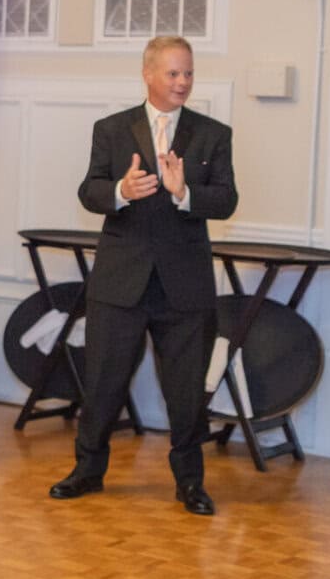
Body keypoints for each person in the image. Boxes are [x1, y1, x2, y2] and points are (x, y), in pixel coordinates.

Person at [49, 34, 238, 516]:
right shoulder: (111, 130)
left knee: (185, 391)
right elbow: (89, 191)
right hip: (120, 283)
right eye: (173, 73)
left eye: (189, 73)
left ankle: (190, 484)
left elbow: (227, 200)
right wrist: (120, 189)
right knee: (104, 383)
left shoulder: (213, 134)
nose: (182, 82)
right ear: (148, 74)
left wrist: (186, 192)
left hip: (184, 285)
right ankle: (87, 472)